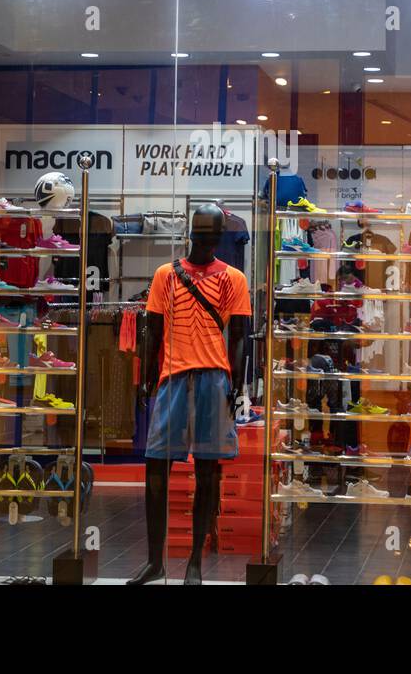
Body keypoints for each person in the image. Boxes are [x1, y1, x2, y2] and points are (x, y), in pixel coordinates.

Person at [128, 203, 251, 585]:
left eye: (212, 234)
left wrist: (238, 387)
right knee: (155, 470)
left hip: (215, 379)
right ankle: (156, 561)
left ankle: (195, 561)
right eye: (203, 233)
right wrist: (146, 380)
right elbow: (152, 330)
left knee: (208, 472)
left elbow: (241, 338)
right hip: (173, 378)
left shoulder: (233, 278)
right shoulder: (166, 275)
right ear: (193, 234)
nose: (206, 240)